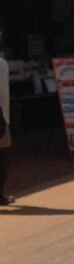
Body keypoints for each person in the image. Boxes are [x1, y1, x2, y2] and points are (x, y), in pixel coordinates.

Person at [0, 29, 13, 206]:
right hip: (0, 115)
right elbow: (2, 93)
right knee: (4, 154)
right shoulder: (1, 64)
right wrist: (5, 119)